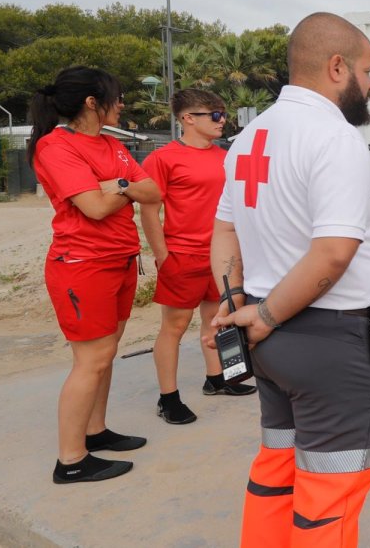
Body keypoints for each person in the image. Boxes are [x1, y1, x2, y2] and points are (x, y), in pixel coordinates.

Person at [206, 12, 370, 546]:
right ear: (338, 67)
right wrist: (263, 316)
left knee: (278, 478)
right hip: (333, 346)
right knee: (326, 505)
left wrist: (236, 301)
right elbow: (334, 253)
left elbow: (223, 232)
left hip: (271, 344)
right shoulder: (333, 138)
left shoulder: (248, 139)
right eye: (368, 69)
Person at [29, 66, 160, 483]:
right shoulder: (56, 146)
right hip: (82, 266)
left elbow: (154, 191)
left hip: (120, 260)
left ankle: (95, 432)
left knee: (105, 356)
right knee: (92, 360)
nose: (122, 105)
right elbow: (95, 208)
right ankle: (70, 461)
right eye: (116, 97)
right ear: (91, 102)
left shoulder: (111, 146)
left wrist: (113, 183)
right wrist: (124, 190)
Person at [140, 89, 255, 427]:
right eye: (215, 114)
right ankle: (168, 398)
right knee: (173, 327)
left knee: (215, 319)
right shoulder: (163, 158)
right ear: (188, 118)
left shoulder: (226, 156)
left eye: (223, 113)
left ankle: (218, 378)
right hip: (183, 254)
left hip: (220, 256)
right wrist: (162, 255)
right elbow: (149, 210)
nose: (223, 120)